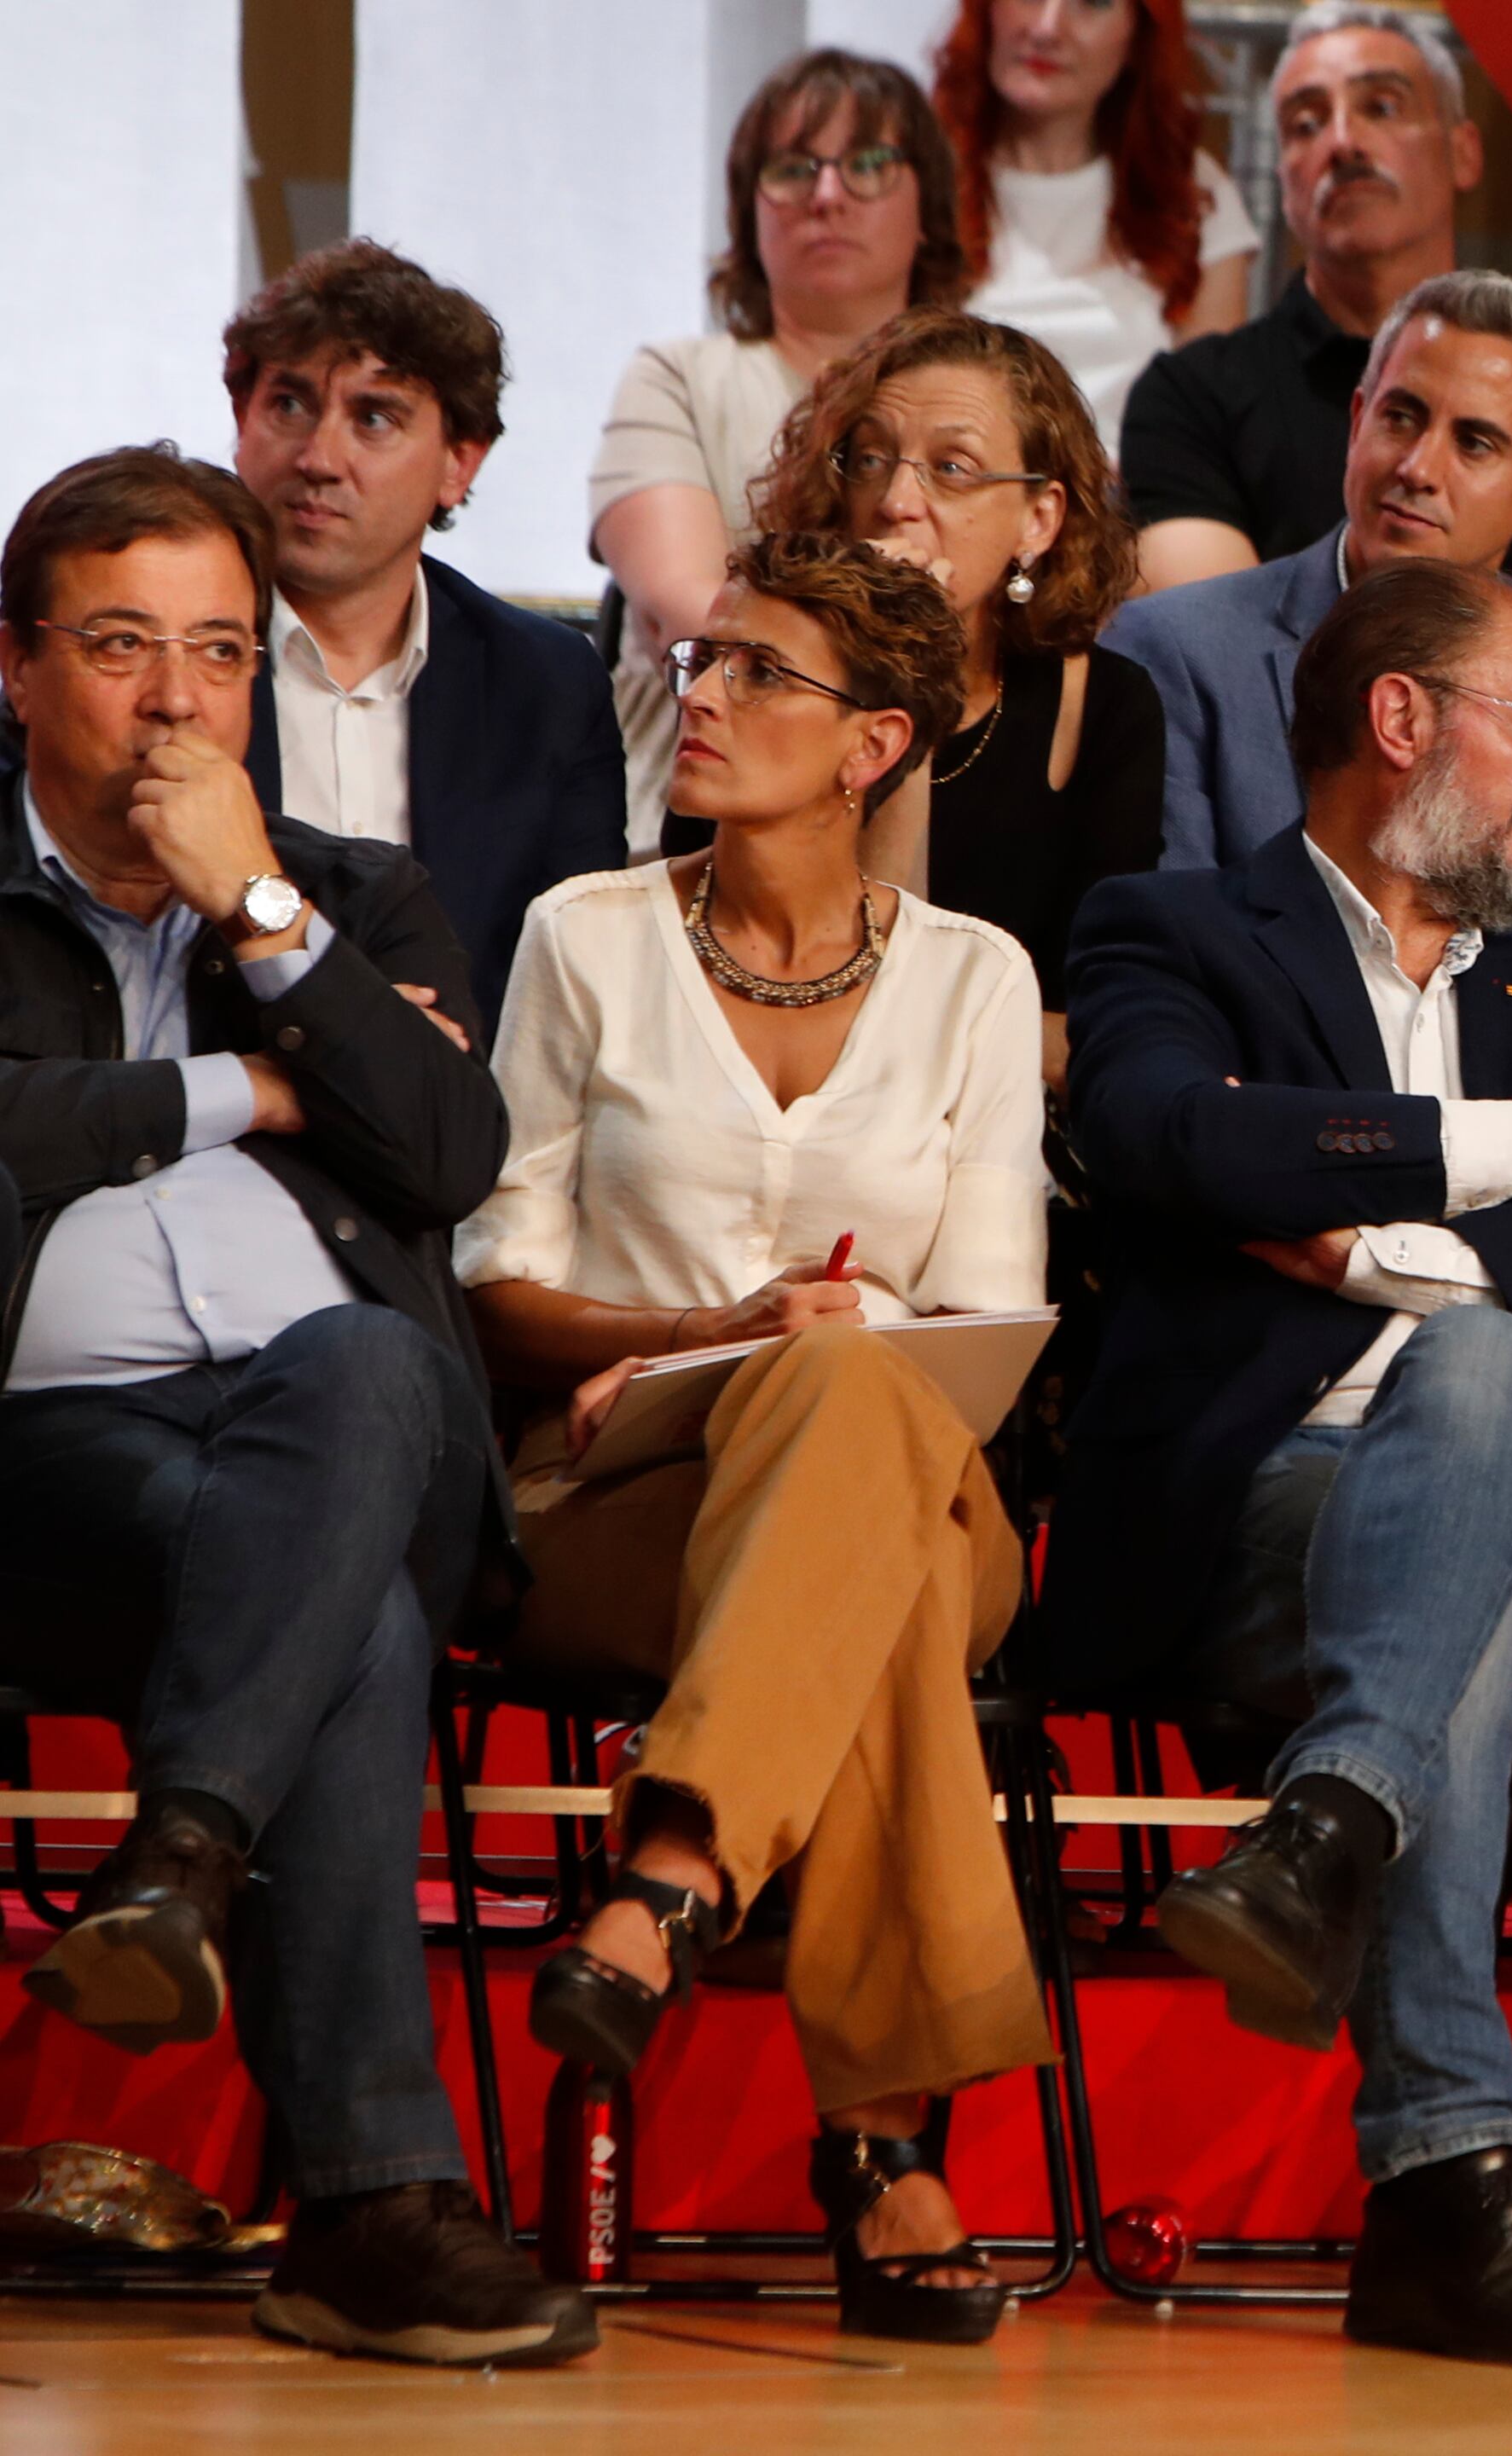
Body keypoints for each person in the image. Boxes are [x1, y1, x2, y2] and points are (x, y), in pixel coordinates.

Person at [1045, 558, 1512, 2367]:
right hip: (1265, 1502)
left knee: (1481, 1367)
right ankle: (1437, 2163)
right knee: (1448, 1626)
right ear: (1402, 718)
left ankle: (1331, 1836)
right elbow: (1177, 1140)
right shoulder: (1172, 930)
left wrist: (1383, 1256)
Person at [0, 445, 588, 2366]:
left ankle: (180, 1859)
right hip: (44, 1473)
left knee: (364, 1366)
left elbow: (446, 1150)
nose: (176, 702)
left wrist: (259, 914)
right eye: (120, 646)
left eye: (220, 652)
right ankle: (369, 2212)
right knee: (351, 1622)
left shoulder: (347, 896)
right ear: (16, 667)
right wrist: (253, 1087)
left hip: (333, 1429)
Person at [457, 532, 1048, 2347]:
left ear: (875, 745)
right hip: (622, 1491)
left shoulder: (977, 977)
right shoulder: (585, 935)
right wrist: (708, 1339)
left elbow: (987, 1327)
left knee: (858, 1399)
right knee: (871, 1544)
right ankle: (881, 2151)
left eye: (756, 672)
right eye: (700, 660)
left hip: (916, 1474)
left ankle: (675, 1873)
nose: (701, 696)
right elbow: (497, 1284)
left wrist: (815, 1354)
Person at [1108, 269, 1512, 974]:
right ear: (1357, 420)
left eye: (1474, 443)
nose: (1418, 468)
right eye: (1400, 417)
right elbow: (1166, 968)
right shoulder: (1176, 654)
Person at [1118, 4, 1512, 673]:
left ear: (1464, 152)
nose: (1343, 142)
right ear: (1283, 178)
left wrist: (1324, 606)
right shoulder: (1191, 396)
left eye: (1382, 108)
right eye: (1305, 124)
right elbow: (1217, 646)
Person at [731, 309, 1158, 1079]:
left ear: (1039, 519)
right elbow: (767, 985)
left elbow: (1105, 1038)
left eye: (952, 468)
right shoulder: (757, 677)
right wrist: (902, 662)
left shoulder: (1105, 708)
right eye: (869, 459)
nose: (896, 500)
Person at [223, 240, 625, 1022]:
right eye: (290, 406)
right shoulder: (158, 658)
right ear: (242, 419)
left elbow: (574, 987)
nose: (319, 458)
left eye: (373, 418)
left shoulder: (547, 684)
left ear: (458, 465)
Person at [594, 49, 968, 857]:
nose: (827, 195)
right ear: (747, 212)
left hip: (945, 821)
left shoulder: (982, 404)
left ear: (929, 206)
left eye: (868, 164)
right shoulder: (677, 378)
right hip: (681, 834)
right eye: (793, 169)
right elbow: (697, 619)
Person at [935, 0, 1262, 449]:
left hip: (1133, 487)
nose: (1047, 28)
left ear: (1139, 35)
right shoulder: (917, 177)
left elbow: (1203, 435)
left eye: (1091, 3)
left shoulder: (1194, 195)